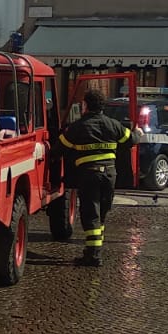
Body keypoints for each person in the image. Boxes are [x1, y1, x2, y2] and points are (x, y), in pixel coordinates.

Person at [55, 87, 131, 267]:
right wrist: (138, 133)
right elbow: (130, 140)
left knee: (91, 213)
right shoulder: (113, 124)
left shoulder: (78, 126)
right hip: (110, 175)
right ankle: (96, 250)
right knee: (102, 213)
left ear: (85, 105)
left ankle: (93, 255)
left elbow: (59, 148)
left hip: (90, 175)